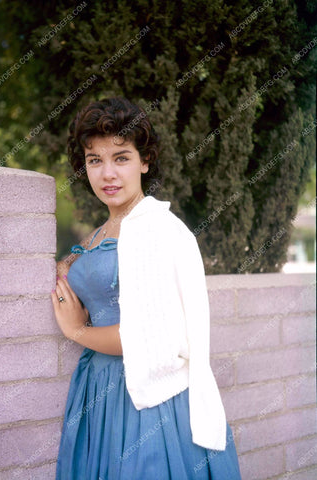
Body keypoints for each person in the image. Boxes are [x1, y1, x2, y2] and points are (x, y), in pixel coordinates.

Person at [51, 96, 242, 479]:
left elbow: (147, 338)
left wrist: (75, 330)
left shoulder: (154, 228)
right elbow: (104, 270)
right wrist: (69, 263)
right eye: (94, 160)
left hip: (147, 399)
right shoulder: (105, 231)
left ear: (145, 161)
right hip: (97, 389)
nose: (107, 174)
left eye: (121, 157)